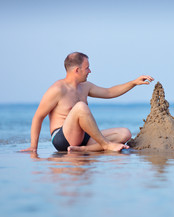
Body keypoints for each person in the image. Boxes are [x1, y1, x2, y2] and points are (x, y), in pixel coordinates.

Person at [21, 52, 154, 153]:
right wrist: (33, 147)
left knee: (125, 133)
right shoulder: (57, 89)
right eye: (87, 68)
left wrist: (133, 83)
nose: (90, 71)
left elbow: (109, 92)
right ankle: (105, 145)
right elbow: (38, 117)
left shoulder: (85, 87)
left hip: (82, 137)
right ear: (77, 70)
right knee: (80, 107)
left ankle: (83, 149)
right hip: (63, 138)